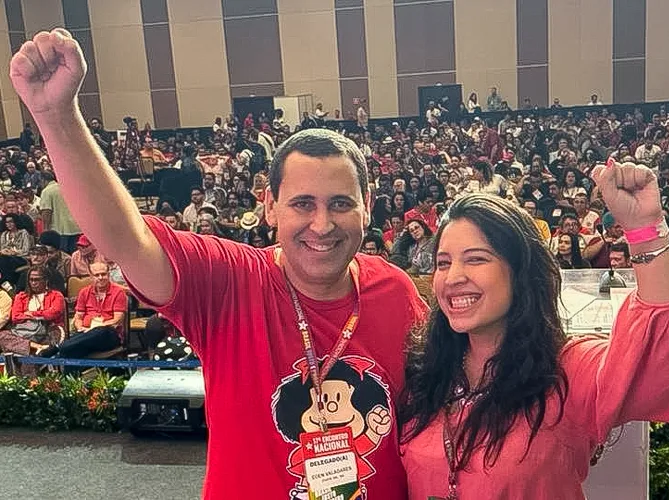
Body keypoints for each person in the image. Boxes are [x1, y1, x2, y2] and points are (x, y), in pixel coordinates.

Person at [11, 28, 428, 499]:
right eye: (302, 203)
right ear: (269, 206)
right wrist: (57, 117)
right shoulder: (229, 281)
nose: (322, 224)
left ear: (367, 206)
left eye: (340, 203)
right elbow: (126, 240)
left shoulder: (396, 292)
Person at [398, 160, 669, 498]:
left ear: (521, 272)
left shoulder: (565, 371)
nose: (453, 277)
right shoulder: (425, 370)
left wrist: (644, 230)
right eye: (443, 263)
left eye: (476, 259)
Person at [44, 261, 127, 358]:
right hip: (86, 334)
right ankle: (62, 356)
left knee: (100, 331)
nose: (100, 277)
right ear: (91, 277)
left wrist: (95, 328)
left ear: (108, 275)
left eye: (103, 274)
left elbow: (117, 319)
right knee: (72, 351)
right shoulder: (84, 292)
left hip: (109, 334)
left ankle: (58, 347)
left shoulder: (118, 292)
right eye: (97, 275)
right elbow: (78, 317)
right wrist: (80, 327)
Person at [0, 264, 65, 357]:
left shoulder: (56, 295)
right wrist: (40, 316)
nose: (33, 283)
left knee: (54, 337)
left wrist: (31, 314)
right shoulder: (21, 296)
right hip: (24, 331)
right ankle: (36, 347)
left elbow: (53, 313)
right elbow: (15, 317)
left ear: (46, 280)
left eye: (37, 280)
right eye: (31, 280)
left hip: (49, 328)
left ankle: (35, 351)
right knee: (2, 336)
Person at [39, 170, 81, 253]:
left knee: (62, 254)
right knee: (75, 254)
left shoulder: (47, 191)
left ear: (43, 180)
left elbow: (46, 212)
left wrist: (46, 230)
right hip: (76, 227)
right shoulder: (66, 188)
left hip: (60, 229)